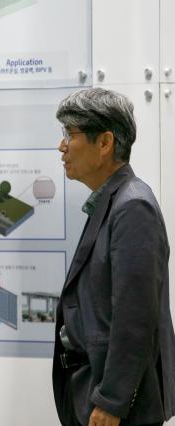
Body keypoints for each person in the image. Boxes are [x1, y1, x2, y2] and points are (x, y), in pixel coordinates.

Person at [53, 87, 175, 426]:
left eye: (70, 134)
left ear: (104, 143)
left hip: (118, 406)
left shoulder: (133, 206)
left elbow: (135, 317)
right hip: (95, 389)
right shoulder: (111, 201)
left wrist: (112, 402)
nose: (62, 146)